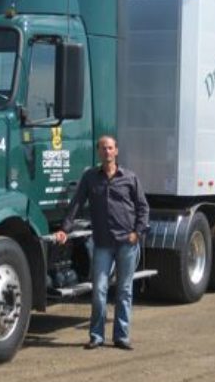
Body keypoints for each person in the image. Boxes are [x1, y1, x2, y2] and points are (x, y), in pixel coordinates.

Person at [54, 135, 149, 350]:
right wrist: (64, 230)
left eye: (110, 148)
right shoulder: (90, 178)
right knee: (99, 291)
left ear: (116, 151)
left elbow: (143, 208)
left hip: (127, 242)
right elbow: (76, 204)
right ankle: (96, 336)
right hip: (102, 244)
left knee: (124, 291)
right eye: (103, 148)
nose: (107, 152)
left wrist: (137, 233)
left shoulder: (130, 178)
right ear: (98, 152)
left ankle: (121, 337)